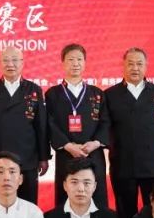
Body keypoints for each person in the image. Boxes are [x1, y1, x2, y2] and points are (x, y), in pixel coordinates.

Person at [105, 47, 154, 218]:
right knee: (125, 213)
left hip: (153, 164)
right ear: (123, 65)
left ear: (146, 66)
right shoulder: (110, 95)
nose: (135, 68)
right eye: (131, 64)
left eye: (139, 64)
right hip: (123, 164)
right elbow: (106, 128)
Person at [0, 46, 50, 205]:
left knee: (28, 203)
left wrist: (43, 157)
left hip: (28, 157)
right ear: (0, 63)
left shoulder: (34, 89)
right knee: (1, 202)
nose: (10, 64)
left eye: (15, 60)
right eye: (6, 60)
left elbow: (41, 126)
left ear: (22, 63)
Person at [45, 43, 110, 209]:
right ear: (63, 63)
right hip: (66, 154)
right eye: (71, 60)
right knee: (66, 200)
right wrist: (67, 145)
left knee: (97, 200)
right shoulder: (52, 94)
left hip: (93, 154)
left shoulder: (97, 93)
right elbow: (49, 123)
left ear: (85, 62)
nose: (75, 63)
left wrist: (95, 143)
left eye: (79, 59)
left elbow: (105, 122)